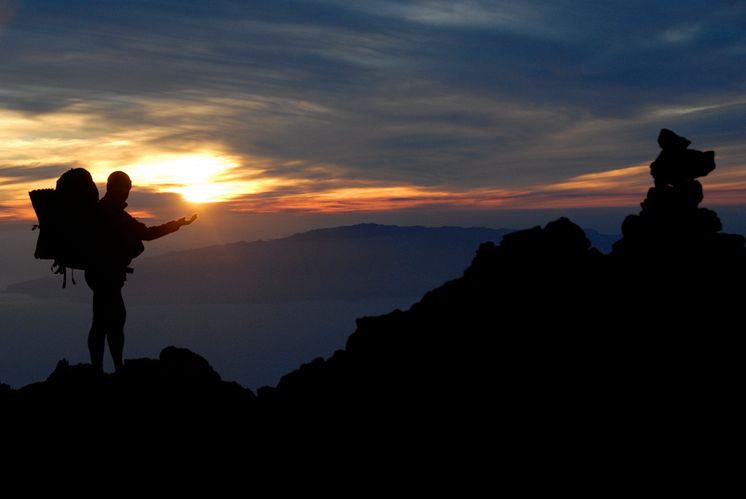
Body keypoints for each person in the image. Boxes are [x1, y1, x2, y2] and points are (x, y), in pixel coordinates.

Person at [86, 171, 197, 373]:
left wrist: (176, 225)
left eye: (126, 190)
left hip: (100, 274)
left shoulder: (109, 212)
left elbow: (144, 234)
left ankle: (100, 370)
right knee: (114, 319)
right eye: (121, 189)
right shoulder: (112, 214)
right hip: (106, 275)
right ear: (112, 189)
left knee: (103, 320)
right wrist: (176, 225)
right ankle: (112, 368)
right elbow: (146, 234)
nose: (124, 194)